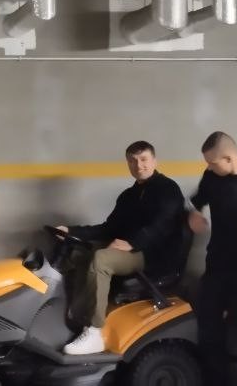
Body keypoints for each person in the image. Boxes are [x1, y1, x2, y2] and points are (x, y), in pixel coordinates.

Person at [58, 140, 187, 356]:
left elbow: (161, 226)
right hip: (133, 250)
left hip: (153, 256)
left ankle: (95, 331)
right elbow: (109, 228)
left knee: (101, 259)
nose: (139, 166)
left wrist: (132, 243)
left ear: (154, 161)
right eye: (133, 161)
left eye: (144, 159)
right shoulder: (129, 196)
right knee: (80, 252)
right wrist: (71, 231)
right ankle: (77, 316)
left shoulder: (168, 190)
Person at [188, 132, 237, 386]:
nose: (209, 168)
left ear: (229, 158)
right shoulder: (212, 177)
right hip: (216, 268)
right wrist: (194, 214)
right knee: (209, 333)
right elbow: (195, 202)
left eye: (213, 163)